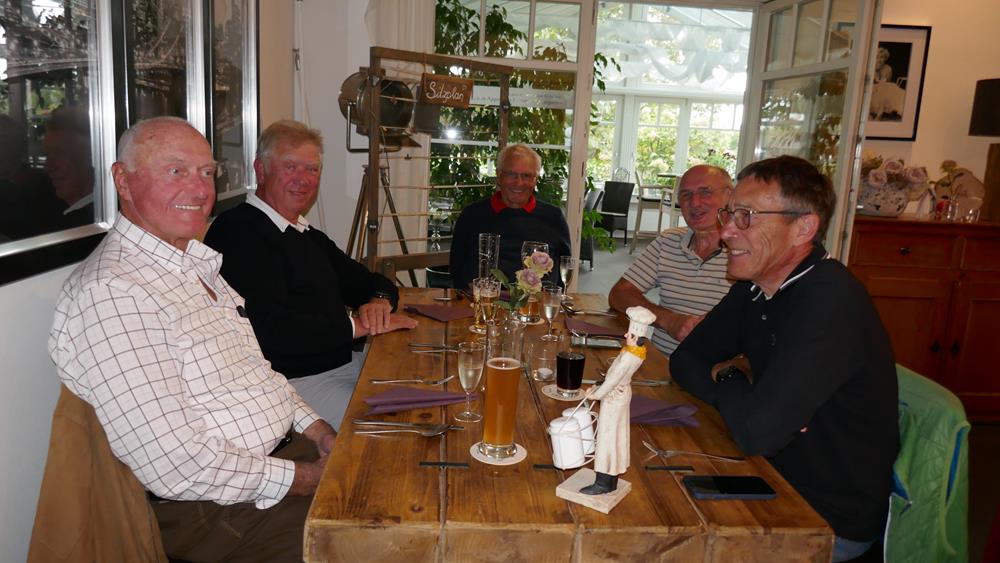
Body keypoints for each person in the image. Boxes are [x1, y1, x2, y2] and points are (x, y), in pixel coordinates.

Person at [49, 116, 334, 562]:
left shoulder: (194, 265)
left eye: (206, 172)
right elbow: (177, 466)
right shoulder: (114, 292)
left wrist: (319, 431)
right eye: (176, 170)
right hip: (216, 511)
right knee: (380, 542)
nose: (201, 190)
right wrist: (308, 478)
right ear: (123, 180)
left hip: (275, 468)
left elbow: (257, 372)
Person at [670, 155, 899, 563]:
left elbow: (757, 433)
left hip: (822, 518)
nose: (726, 231)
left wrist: (730, 377)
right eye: (729, 214)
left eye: (746, 217)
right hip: (763, 474)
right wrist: (747, 399)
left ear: (804, 228)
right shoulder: (756, 286)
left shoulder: (829, 301)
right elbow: (686, 360)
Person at [204, 120, 416, 430]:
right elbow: (271, 332)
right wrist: (357, 326)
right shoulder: (236, 231)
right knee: (398, 431)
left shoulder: (306, 234)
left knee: (427, 391)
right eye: (290, 167)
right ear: (260, 170)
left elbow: (369, 282)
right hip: (294, 383)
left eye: (312, 169)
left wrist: (379, 302)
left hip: (344, 364)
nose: (302, 180)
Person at [608, 165, 734, 356]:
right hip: (659, 366)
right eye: (686, 195)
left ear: (730, 197)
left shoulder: (746, 254)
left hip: (716, 372)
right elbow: (619, 294)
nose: (694, 203)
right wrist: (669, 320)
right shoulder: (669, 241)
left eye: (705, 192)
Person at [449, 143, 571, 290]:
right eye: (511, 174)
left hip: (536, 302)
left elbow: (565, 269)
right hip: (480, 301)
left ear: (535, 179)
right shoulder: (472, 215)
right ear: (499, 176)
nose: (519, 182)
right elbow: (456, 270)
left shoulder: (553, 217)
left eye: (527, 176)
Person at [579, 306, 656, 496]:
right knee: (616, 436)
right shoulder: (637, 352)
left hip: (614, 396)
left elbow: (613, 380)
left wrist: (597, 394)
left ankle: (603, 482)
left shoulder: (628, 356)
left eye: (630, 334)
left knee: (608, 437)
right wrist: (599, 386)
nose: (626, 335)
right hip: (621, 393)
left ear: (637, 338)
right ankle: (611, 479)